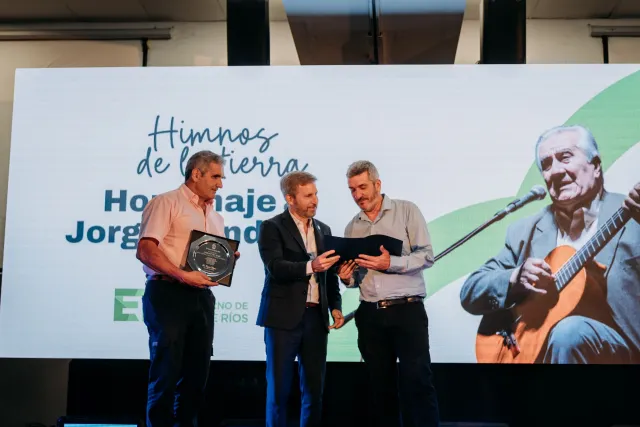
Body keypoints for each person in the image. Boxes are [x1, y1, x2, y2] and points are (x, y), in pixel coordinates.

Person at [460, 124, 640, 364]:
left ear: (595, 166)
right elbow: (471, 291)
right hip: (537, 357)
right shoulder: (524, 231)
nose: (555, 171)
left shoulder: (632, 214)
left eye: (565, 157)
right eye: (546, 164)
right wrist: (515, 278)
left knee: (569, 332)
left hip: (626, 356)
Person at [136, 150, 239, 427]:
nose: (220, 184)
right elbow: (146, 250)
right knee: (166, 374)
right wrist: (182, 275)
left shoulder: (216, 217)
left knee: (196, 378)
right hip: (167, 293)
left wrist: (227, 261)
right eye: (215, 177)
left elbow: (209, 262)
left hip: (201, 297)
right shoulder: (166, 202)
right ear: (196, 174)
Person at [338, 160, 440, 427]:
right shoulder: (352, 227)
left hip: (407, 310)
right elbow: (356, 278)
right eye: (352, 190)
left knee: (417, 383)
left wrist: (390, 263)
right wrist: (347, 278)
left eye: (362, 187)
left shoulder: (406, 210)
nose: (357, 195)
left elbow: (427, 256)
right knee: (380, 389)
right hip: (370, 314)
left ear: (377, 184)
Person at [256, 170, 345, 427]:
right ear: (290, 198)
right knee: (279, 390)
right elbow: (275, 267)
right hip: (282, 319)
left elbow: (329, 275)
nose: (314, 200)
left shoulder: (323, 229)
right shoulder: (272, 227)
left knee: (314, 391)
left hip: (316, 318)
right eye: (308, 196)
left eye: (315, 194)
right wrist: (310, 266)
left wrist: (335, 307)